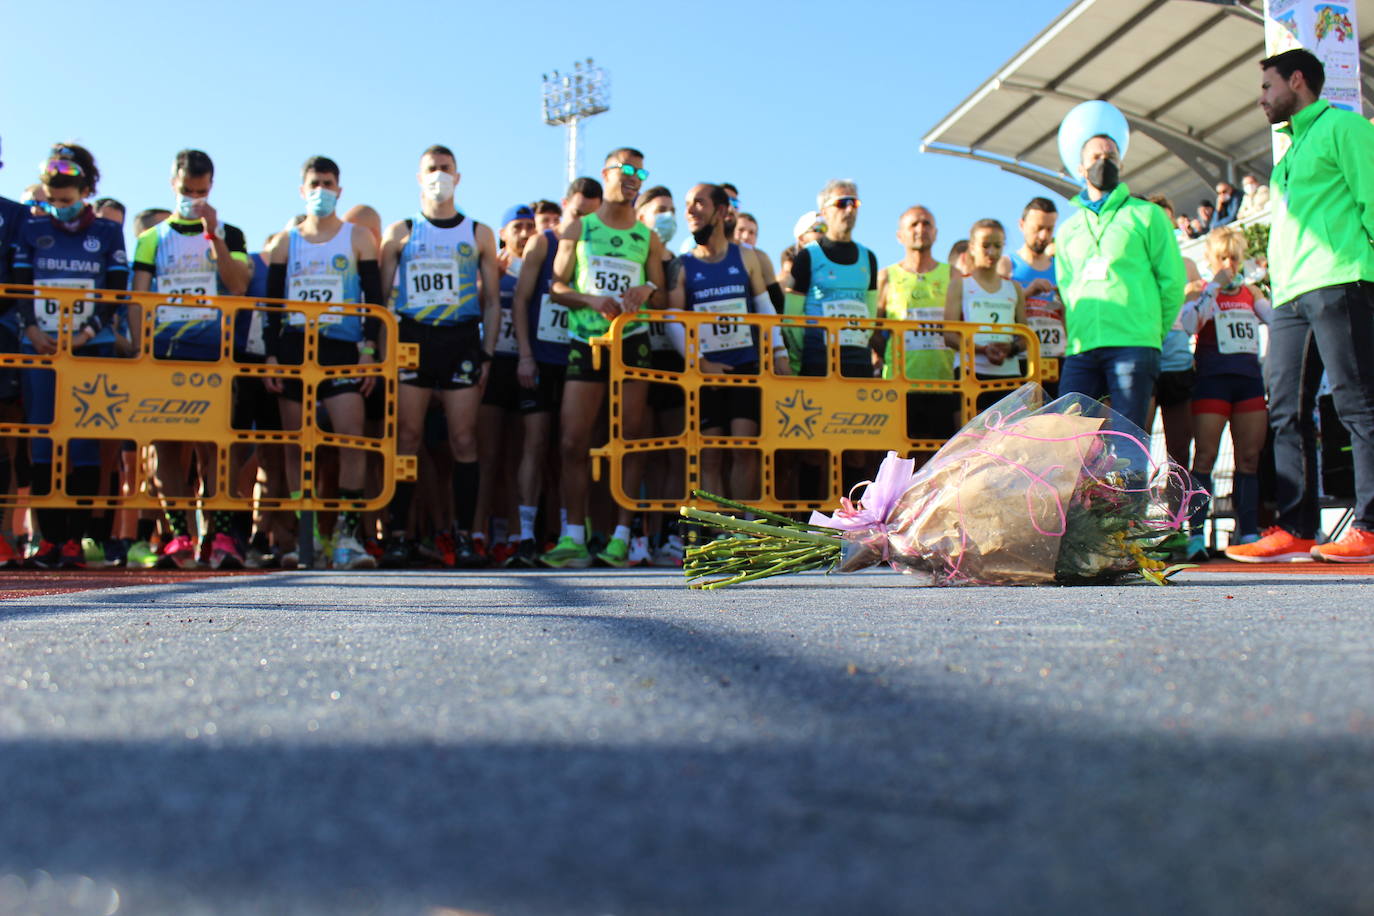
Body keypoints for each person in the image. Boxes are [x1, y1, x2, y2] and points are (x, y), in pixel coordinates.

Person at [1228, 48, 1374, 563]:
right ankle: (1297, 527)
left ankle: (1371, 527)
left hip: (1341, 282)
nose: (1262, 98)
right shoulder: (1287, 153)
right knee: (1286, 411)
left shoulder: (1346, 129)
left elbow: (1372, 200)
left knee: (1357, 406)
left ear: (1297, 80)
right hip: (1290, 295)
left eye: (1268, 86)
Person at [540, 147, 665, 569]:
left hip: (633, 343)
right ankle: (574, 536)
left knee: (629, 441)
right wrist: (591, 300)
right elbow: (556, 286)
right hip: (587, 341)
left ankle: (621, 537)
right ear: (606, 172)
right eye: (625, 168)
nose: (633, 177)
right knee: (574, 440)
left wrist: (645, 290)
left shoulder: (648, 236)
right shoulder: (578, 228)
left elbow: (660, 286)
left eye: (640, 172)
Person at [379, 144, 500, 568]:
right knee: (407, 438)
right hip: (413, 338)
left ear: (458, 176)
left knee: (463, 439)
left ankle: (464, 535)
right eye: (431, 168)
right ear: (419, 177)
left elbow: (492, 300)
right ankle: (397, 534)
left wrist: (487, 352)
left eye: (446, 168)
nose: (439, 175)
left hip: (461, 339)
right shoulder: (400, 232)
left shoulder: (479, 232)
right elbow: (381, 301)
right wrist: (382, 354)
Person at [131, 149, 253, 570]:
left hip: (213, 355)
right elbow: (138, 296)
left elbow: (238, 285)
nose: (193, 198)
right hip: (163, 353)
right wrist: (139, 348)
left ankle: (218, 533)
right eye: (187, 191)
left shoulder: (231, 234)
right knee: (166, 444)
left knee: (214, 446)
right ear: (173, 184)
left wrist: (213, 235)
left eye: (201, 192)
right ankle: (178, 534)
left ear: (211, 188)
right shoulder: (151, 238)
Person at [9, 143, 126, 569]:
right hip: (39, 346)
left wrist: (88, 332)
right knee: (42, 437)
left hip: (89, 349)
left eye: (68, 199)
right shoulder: (32, 228)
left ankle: (75, 539)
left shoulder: (108, 232)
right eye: (53, 199)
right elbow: (21, 285)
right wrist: (34, 330)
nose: (59, 207)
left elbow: (116, 290)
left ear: (85, 190)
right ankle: (48, 539)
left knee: (83, 441)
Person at [263, 155, 383, 571]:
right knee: (297, 443)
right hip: (296, 349)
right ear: (302, 189)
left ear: (339, 189)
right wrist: (273, 355)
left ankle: (347, 536)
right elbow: (273, 305)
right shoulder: (284, 241)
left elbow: (374, 298)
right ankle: (308, 535)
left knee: (351, 439)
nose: (321, 191)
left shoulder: (358, 237)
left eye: (328, 183)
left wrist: (370, 349)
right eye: (314, 183)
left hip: (342, 349)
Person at [1055, 131, 1186, 432]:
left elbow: (1172, 281)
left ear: (1121, 165)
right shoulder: (1068, 230)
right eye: (1096, 157)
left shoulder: (1148, 215)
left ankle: (1133, 482)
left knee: (1128, 438)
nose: (1104, 163)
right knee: (1069, 438)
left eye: (1111, 157)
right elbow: (1067, 287)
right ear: (1080, 168)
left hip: (1134, 344)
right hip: (1082, 347)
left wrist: (1151, 331)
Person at [507, 178, 602, 566]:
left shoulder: (596, 242)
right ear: (566, 205)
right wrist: (525, 355)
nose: (582, 220)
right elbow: (521, 299)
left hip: (582, 357)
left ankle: (571, 531)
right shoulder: (543, 242)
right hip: (543, 360)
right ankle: (526, 535)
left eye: (590, 215)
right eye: (578, 212)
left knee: (576, 446)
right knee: (535, 442)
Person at [671, 182, 786, 503]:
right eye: (687, 204)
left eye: (699, 203)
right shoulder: (682, 265)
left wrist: (780, 354)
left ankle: (741, 531)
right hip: (705, 371)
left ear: (721, 212)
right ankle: (721, 534)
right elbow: (671, 320)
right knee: (709, 456)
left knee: (744, 449)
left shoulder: (746, 258)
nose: (690, 211)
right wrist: (699, 362)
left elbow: (766, 311)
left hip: (746, 366)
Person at [1179, 227, 1272, 561]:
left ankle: (1248, 530)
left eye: (1234, 257)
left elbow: (1274, 318)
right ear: (1210, 259)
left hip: (1248, 381)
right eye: (1222, 257)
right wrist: (1214, 288)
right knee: (1205, 456)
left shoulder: (1251, 291)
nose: (1229, 264)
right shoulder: (1200, 290)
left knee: (1249, 458)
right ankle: (1195, 535)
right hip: (1212, 382)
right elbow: (1188, 323)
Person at [475, 204, 539, 564]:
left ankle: (517, 533)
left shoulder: (536, 267)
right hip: (496, 361)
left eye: (531, 226)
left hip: (525, 362)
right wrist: (488, 280)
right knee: (487, 455)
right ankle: (479, 530)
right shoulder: (495, 266)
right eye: (518, 226)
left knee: (519, 454)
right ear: (503, 232)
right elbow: (474, 306)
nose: (526, 232)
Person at [877, 205, 956, 440]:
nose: (920, 229)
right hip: (899, 384)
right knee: (897, 456)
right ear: (900, 235)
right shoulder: (886, 275)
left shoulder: (952, 274)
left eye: (926, 223)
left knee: (937, 458)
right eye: (913, 224)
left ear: (936, 232)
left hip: (943, 382)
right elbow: (874, 330)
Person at [944, 219, 1027, 410]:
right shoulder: (960, 285)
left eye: (997, 246)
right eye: (985, 245)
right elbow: (948, 336)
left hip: (1008, 375)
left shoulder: (1014, 288)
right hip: (971, 374)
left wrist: (1011, 348)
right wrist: (983, 350)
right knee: (971, 438)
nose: (992, 252)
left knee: (1008, 438)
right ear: (972, 247)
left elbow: (1025, 337)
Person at [0, 136, 31, 567]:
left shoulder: (17, 216)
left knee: (7, 445)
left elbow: (25, 283)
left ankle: (5, 534)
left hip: (5, 340)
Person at [999, 197, 1062, 397]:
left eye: (1050, 229)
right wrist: (1027, 293)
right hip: (1021, 358)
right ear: (1022, 224)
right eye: (1038, 228)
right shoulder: (1007, 265)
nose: (1043, 236)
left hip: (1056, 358)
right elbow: (998, 307)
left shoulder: (1061, 267)